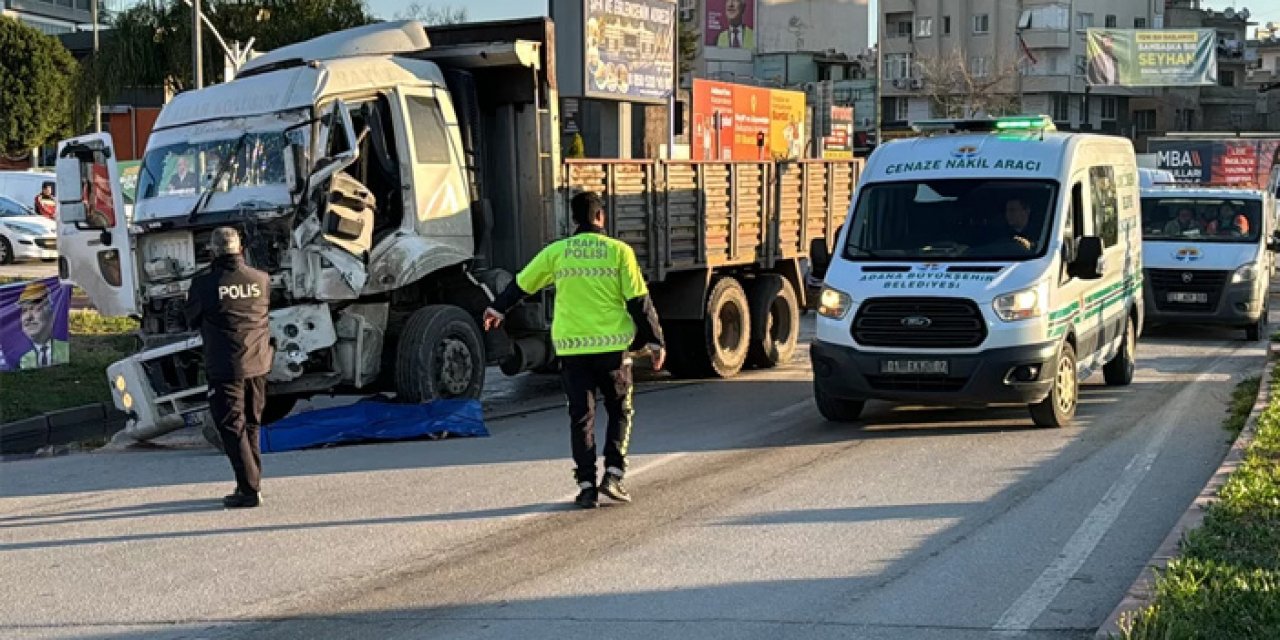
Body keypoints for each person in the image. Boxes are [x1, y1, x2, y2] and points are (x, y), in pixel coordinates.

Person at [483, 192, 666, 509]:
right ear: (600, 217)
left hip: (571, 350)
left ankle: (585, 487)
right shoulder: (619, 252)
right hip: (612, 350)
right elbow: (639, 300)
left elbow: (522, 284)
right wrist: (655, 340)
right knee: (620, 410)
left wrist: (497, 309)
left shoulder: (557, 252)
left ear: (575, 219)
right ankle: (613, 475)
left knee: (581, 417)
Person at [184, 227, 273, 509]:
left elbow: (191, 319)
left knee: (232, 427)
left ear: (212, 251)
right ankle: (252, 483)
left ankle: (248, 489)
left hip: (225, 365)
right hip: (259, 362)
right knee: (252, 423)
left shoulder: (204, 283)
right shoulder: (260, 279)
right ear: (240, 249)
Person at [17, 281, 69, 370]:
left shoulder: (63, 349)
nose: (28, 317)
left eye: (35, 309)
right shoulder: (22, 357)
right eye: (24, 310)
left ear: (51, 312)